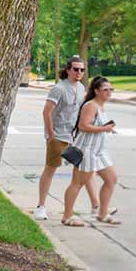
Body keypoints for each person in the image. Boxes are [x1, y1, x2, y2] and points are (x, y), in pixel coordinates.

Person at [34, 57, 101, 220]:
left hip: (74, 137)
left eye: (82, 70)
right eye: (76, 69)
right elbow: (47, 112)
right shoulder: (59, 88)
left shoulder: (80, 88)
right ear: (68, 70)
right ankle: (40, 207)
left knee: (87, 168)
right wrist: (51, 135)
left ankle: (97, 207)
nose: (79, 72)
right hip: (57, 135)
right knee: (50, 169)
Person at [61, 76, 122, 227]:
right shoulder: (91, 106)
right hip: (87, 150)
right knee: (78, 183)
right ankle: (67, 216)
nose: (109, 92)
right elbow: (83, 126)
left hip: (99, 151)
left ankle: (102, 213)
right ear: (96, 91)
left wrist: (106, 130)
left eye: (111, 89)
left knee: (111, 179)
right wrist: (104, 128)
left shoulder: (101, 106)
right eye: (105, 90)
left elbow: (95, 126)